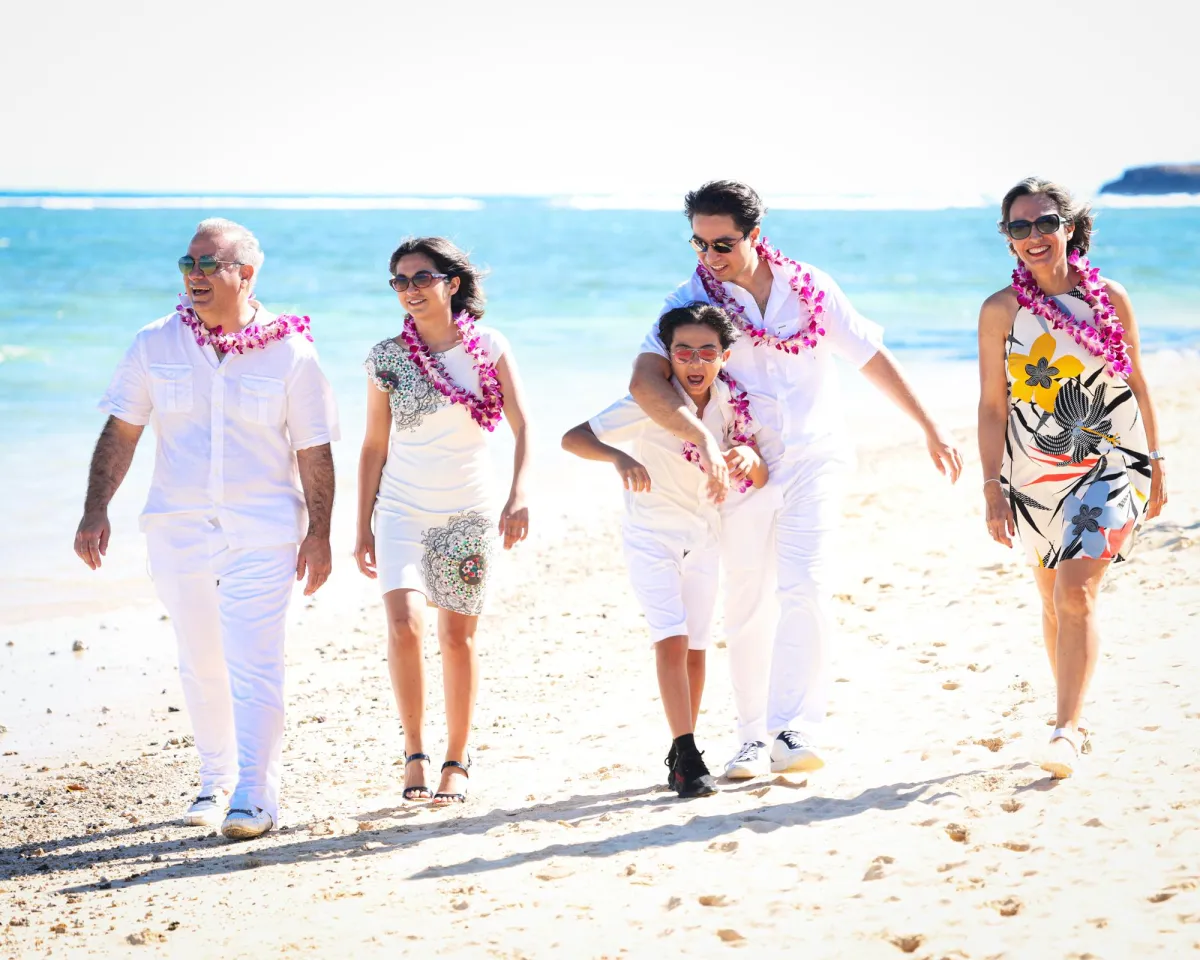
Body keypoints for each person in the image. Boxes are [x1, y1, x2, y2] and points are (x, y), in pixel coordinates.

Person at [630, 181, 962, 779]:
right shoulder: (688, 300)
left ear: (755, 233)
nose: (711, 256)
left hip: (816, 457)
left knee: (805, 585)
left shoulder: (810, 288)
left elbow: (870, 355)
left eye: (723, 242)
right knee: (748, 600)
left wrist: (929, 426)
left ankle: (794, 727)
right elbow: (645, 382)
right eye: (699, 244)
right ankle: (752, 737)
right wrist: (705, 441)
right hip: (742, 468)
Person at [74, 218, 339, 840]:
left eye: (207, 264)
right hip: (177, 527)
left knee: (253, 658)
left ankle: (255, 794)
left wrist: (320, 532)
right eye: (187, 264)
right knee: (199, 660)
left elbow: (315, 449)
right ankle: (214, 780)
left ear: (245, 274)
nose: (194, 275)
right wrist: (95, 508)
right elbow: (122, 432)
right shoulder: (154, 343)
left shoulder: (292, 352)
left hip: (264, 530)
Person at [977, 178, 1166, 778]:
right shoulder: (1000, 311)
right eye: (1019, 227)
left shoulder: (1109, 297)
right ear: (1008, 239)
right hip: (1034, 471)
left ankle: (1066, 729)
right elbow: (991, 406)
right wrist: (991, 484)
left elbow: (1136, 382)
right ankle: (1070, 713)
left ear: (1068, 227)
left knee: (1075, 593)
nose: (1034, 236)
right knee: (1052, 601)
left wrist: (1155, 463)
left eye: (1044, 223)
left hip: (1111, 461)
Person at [563, 302, 768, 798]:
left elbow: (759, 476)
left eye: (706, 352)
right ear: (667, 356)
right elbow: (574, 438)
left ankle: (683, 751)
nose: (695, 363)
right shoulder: (651, 403)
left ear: (723, 356)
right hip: (650, 536)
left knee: (697, 649)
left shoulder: (730, 404)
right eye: (683, 352)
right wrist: (618, 458)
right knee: (670, 639)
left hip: (704, 538)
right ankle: (688, 751)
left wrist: (750, 456)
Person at [355, 237, 532, 804]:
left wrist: (518, 494)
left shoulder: (490, 344)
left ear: (451, 283)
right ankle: (414, 752)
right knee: (405, 626)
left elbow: (523, 426)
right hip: (401, 508)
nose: (409, 290)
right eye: (399, 281)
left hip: (468, 510)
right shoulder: (386, 356)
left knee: (457, 637)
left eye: (421, 278)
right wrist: (361, 525)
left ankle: (457, 758)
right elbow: (372, 446)